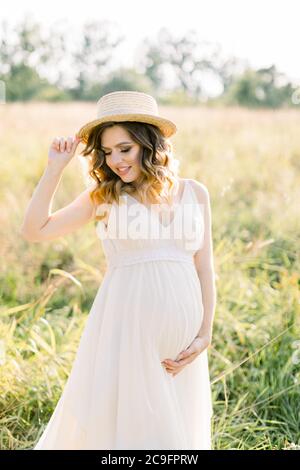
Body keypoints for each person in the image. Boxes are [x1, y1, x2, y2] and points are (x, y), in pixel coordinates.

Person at [20, 90, 217, 450]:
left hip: (183, 345)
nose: (115, 161)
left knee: (176, 435)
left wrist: (205, 334)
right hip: (127, 331)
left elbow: (205, 268)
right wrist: (54, 170)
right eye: (107, 152)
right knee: (131, 433)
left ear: (149, 143)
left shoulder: (195, 193)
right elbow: (35, 230)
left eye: (124, 148)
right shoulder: (104, 196)